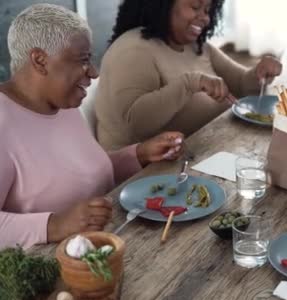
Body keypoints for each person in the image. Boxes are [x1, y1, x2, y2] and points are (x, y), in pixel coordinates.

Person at [0, 4, 184, 249]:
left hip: (113, 242)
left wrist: (138, 154)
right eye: (83, 60)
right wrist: (55, 224)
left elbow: (81, 174)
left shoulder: (63, 104)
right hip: (58, 271)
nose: (94, 72)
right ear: (40, 60)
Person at [95, 0, 283, 150]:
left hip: (204, 151)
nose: (205, 18)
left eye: (208, 9)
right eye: (195, 7)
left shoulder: (195, 45)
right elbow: (134, 124)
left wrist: (259, 73)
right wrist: (189, 84)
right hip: (146, 174)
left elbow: (242, 84)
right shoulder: (134, 50)